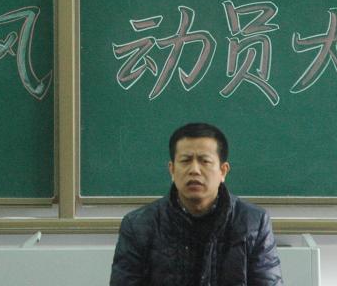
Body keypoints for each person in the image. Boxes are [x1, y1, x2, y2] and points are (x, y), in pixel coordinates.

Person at [110, 122, 283, 286]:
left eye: (204, 161)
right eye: (185, 160)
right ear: (172, 170)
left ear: (223, 171)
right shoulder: (138, 226)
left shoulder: (254, 223)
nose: (194, 170)